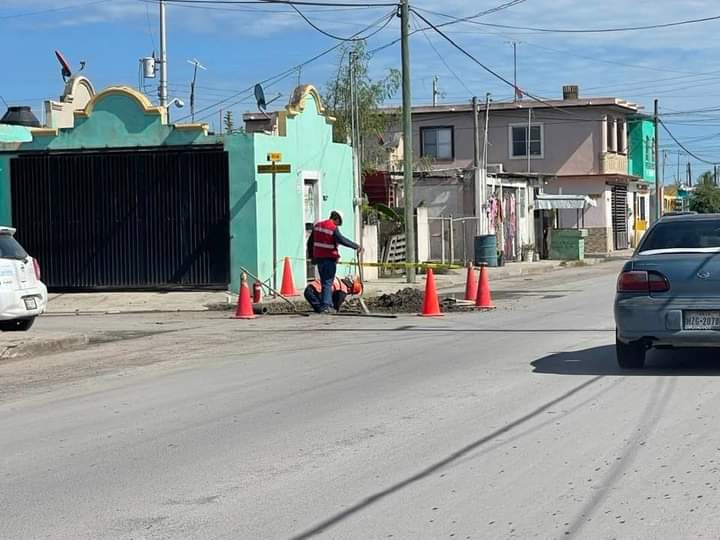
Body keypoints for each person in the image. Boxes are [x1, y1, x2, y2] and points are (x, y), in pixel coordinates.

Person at [307, 210, 362, 313]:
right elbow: (342, 240)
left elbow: (310, 243)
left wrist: (312, 257)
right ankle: (326, 306)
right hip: (329, 259)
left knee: (324, 282)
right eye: (338, 223)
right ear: (336, 219)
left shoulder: (317, 226)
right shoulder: (332, 228)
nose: (337, 225)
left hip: (319, 260)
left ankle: (327, 305)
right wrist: (356, 246)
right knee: (328, 283)